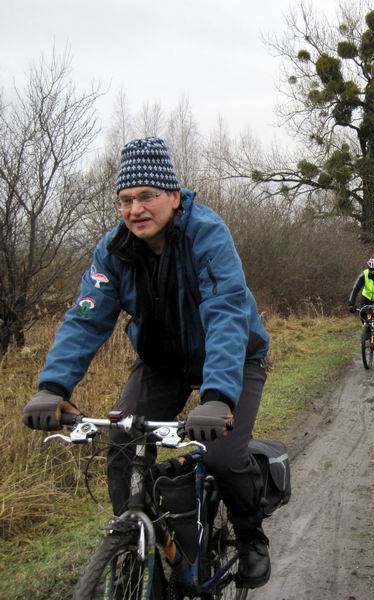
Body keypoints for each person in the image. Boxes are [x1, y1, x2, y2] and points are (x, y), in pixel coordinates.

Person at [20, 137, 272, 586]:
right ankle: (136, 554)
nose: (135, 209)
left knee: (222, 454)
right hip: (162, 363)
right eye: (125, 200)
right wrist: (53, 388)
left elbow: (227, 312)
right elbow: (86, 317)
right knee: (123, 444)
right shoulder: (114, 250)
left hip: (235, 357)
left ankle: (251, 537)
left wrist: (217, 398)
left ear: (173, 197)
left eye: (146, 197)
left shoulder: (207, 234)